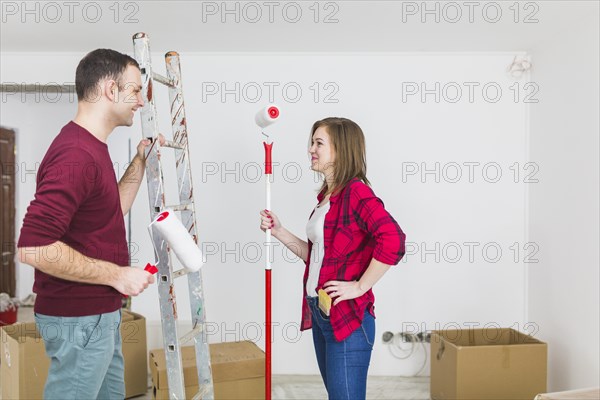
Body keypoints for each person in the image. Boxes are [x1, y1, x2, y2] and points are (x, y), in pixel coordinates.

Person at [17, 48, 158, 400]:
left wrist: (139, 161)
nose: (140, 101)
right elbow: (33, 248)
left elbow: (111, 209)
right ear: (112, 90)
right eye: (136, 90)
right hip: (79, 317)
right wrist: (118, 275)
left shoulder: (93, 147)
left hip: (98, 312)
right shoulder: (76, 154)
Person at [259, 117, 406, 400]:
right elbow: (316, 257)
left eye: (318, 143)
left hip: (349, 318)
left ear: (340, 149)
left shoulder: (356, 193)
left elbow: (394, 240)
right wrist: (279, 231)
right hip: (321, 310)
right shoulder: (328, 197)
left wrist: (360, 286)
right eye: (311, 142)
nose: (310, 149)